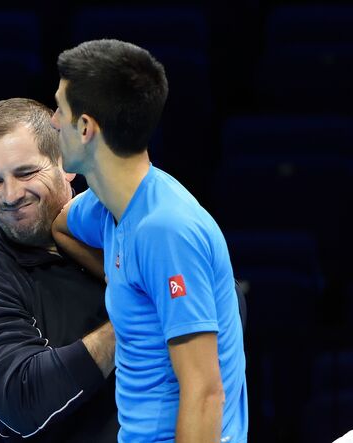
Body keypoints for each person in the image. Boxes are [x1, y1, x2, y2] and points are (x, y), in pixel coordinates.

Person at [51, 39, 248, 442]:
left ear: (86, 128)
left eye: (59, 109)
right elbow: (59, 226)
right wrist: (128, 283)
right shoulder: (105, 207)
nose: (52, 121)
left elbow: (206, 393)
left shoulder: (166, 230)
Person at [0, 97, 119, 442]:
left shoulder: (129, 226)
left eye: (25, 173)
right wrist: (139, 316)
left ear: (67, 163)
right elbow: (24, 402)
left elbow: (225, 300)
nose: (10, 195)